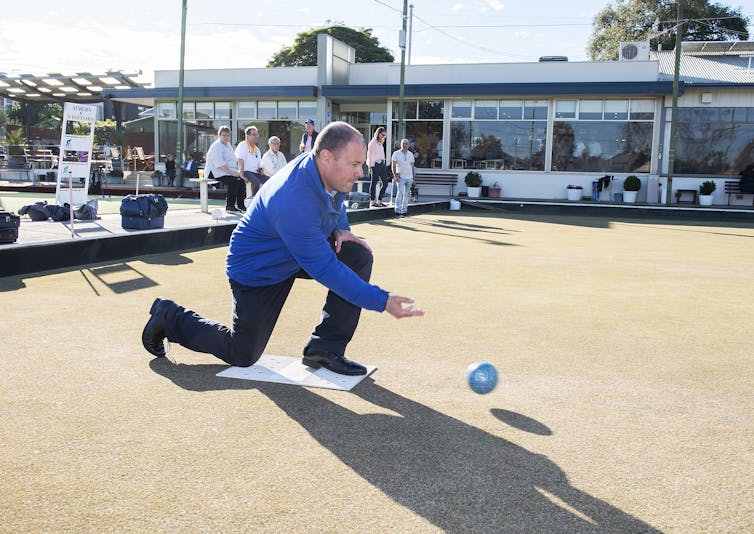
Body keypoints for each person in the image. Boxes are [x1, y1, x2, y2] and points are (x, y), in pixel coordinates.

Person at [141, 121, 424, 376]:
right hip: (257, 269)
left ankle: (324, 348)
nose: (360, 172)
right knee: (242, 353)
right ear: (326, 157)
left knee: (357, 255)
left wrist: (341, 228)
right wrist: (382, 301)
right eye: (354, 164)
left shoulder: (328, 171)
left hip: (292, 251)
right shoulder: (294, 200)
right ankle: (169, 316)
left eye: (361, 164)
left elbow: (337, 200)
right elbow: (325, 269)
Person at [205, 125, 244, 212]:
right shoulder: (216, 146)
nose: (226, 137)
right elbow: (219, 164)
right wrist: (233, 173)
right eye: (224, 135)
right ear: (219, 136)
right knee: (234, 182)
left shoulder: (228, 145)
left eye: (227, 135)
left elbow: (233, 160)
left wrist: (237, 172)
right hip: (215, 172)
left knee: (241, 180)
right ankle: (230, 206)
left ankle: (241, 205)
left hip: (227, 171)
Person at [235, 125, 265, 200]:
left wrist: (261, 169)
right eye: (253, 134)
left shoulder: (257, 149)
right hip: (246, 171)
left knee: (269, 180)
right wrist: (241, 175)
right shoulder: (242, 145)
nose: (256, 136)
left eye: (256, 134)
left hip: (255, 173)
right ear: (247, 136)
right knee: (256, 182)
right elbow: (240, 160)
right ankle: (254, 200)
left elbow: (259, 164)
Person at [391, 138, 416, 217]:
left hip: (409, 177)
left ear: (408, 145)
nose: (405, 145)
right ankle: (397, 211)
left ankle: (404, 211)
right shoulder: (396, 153)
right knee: (400, 193)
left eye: (406, 144)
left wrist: (413, 178)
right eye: (403, 143)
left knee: (407, 194)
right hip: (400, 177)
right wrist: (395, 176)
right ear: (400, 144)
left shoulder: (410, 154)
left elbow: (412, 166)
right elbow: (393, 165)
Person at [366, 127, 388, 208]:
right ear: (378, 134)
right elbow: (369, 155)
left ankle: (379, 201)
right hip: (375, 164)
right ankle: (372, 201)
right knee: (374, 183)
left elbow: (382, 154)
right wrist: (370, 166)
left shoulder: (380, 143)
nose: (383, 136)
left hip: (381, 164)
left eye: (385, 135)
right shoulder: (372, 143)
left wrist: (384, 162)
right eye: (382, 134)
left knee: (385, 183)